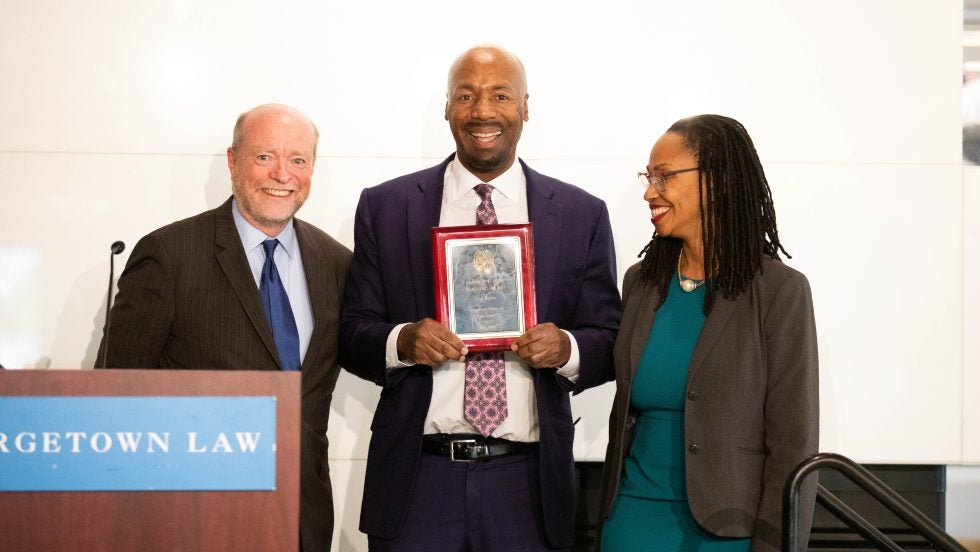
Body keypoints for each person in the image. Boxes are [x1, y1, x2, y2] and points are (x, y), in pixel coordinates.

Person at [339, 45, 621, 551]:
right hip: (418, 479)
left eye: (501, 95)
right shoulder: (386, 206)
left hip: (528, 485)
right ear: (447, 108)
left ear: (526, 107)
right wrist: (403, 340)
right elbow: (353, 332)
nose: (483, 111)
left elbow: (611, 339)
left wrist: (568, 350)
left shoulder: (581, 214)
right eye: (465, 96)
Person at [96, 103, 351, 552]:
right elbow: (117, 393)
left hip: (302, 520)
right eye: (264, 156)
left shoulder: (336, 263)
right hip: (191, 518)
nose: (282, 174)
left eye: (298, 160)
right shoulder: (168, 255)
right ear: (233, 161)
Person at [596, 114, 819, 551]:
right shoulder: (640, 283)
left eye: (664, 176)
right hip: (631, 520)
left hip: (729, 530)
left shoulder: (780, 291)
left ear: (717, 182)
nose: (648, 191)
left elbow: (794, 445)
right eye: (648, 176)